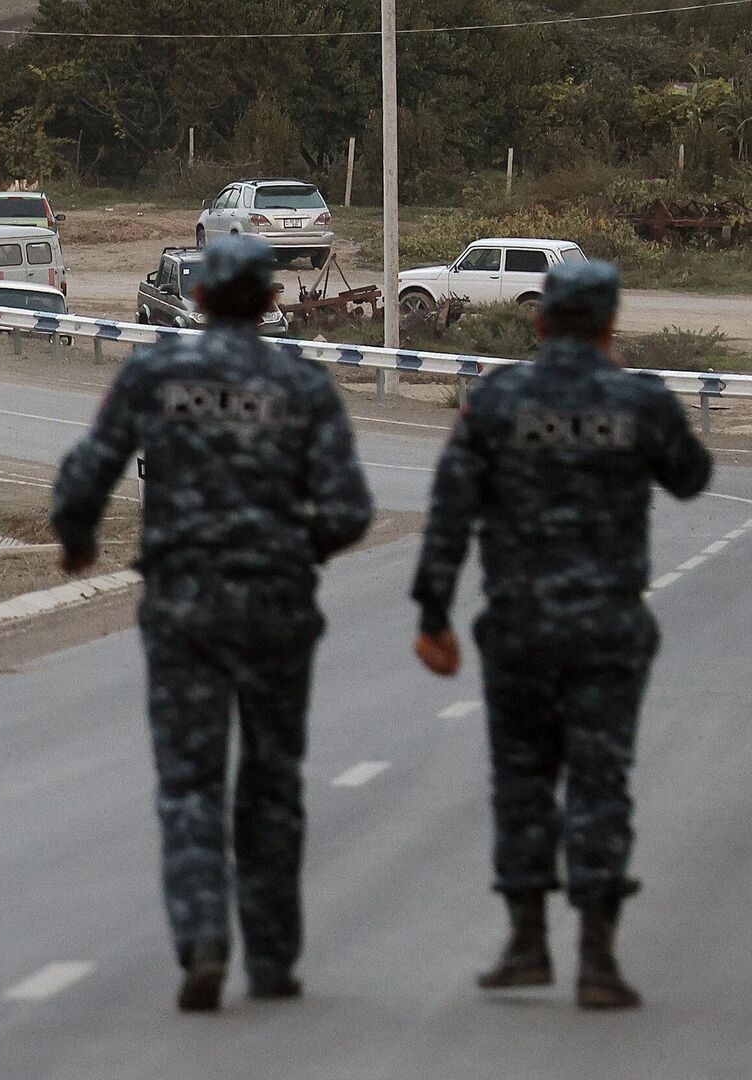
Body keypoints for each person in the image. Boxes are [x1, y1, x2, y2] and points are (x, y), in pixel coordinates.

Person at [50, 235, 373, 1012]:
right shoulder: (301, 384)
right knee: (270, 780)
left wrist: (79, 536)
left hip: (184, 605)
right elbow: (349, 508)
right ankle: (270, 957)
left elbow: (89, 468)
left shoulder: (156, 373)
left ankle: (202, 937)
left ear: (196, 300)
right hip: (275, 609)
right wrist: (297, 553)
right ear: (269, 301)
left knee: (190, 782)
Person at [410, 259, 710, 1011]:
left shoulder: (498, 400)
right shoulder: (638, 400)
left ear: (538, 322)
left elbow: (451, 511)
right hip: (609, 626)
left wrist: (433, 613)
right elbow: (692, 478)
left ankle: (527, 944)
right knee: (601, 781)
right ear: (612, 323)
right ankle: (600, 960)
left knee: (522, 779)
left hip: (519, 627)